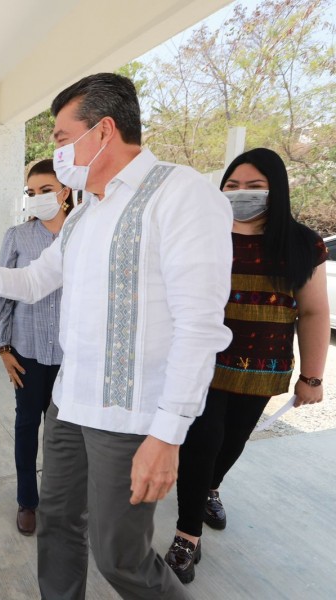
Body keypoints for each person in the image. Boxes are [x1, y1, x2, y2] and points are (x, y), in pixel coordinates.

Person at [0, 72, 234, 599]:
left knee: (120, 556)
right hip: (70, 404)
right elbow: (34, 281)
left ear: (104, 131)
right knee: (58, 526)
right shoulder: (84, 214)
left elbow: (200, 326)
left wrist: (168, 434)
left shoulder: (182, 194)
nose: (59, 152)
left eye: (63, 138)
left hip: (133, 417)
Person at [165, 148, 329, 583]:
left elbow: (313, 313)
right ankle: (187, 535)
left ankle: (209, 488)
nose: (242, 195)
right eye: (233, 186)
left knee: (234, 442)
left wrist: (312, 376)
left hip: (262, 367)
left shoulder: (301, 243)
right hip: (202, 364)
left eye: (255, 187)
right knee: (202, 441)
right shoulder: (202, 233)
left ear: (277, 189)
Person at [0, 159, 73, 536]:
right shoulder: (18, 236)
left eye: (46, 190)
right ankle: (28, 501)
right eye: (32, 192)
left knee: (69, 433)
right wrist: (4, 348)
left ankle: (65, 500)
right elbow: (4, 292)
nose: (38, 198)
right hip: (28, 350)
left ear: (65, 191)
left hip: (73, 356)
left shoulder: (83, 233)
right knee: (27, 426)